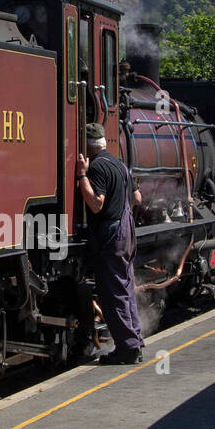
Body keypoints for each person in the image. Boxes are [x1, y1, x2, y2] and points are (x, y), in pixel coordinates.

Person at [77, 123, 145, 364]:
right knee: (126, 289)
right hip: (127, 230)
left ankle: (127, 348)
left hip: (112, 234)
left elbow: (96, 204)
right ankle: (135, 339)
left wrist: (82, 175)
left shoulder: (97, 167)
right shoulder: (119, 165)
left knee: (112, 293)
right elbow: (137, 198)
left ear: (88, 145)